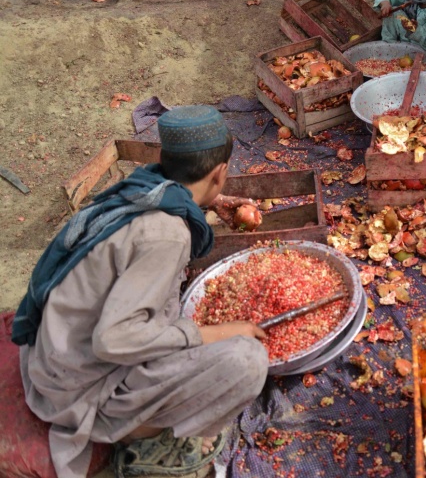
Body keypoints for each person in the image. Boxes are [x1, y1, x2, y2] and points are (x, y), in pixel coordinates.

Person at [13, 106, 269, 478]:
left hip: (58, 347)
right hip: (77, 385)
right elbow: (112, 341)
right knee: (248, 361)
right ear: (220, 173)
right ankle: (141, 435)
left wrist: (210, 201)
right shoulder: (166, 234)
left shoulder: (146, 188)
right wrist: (219, 332)